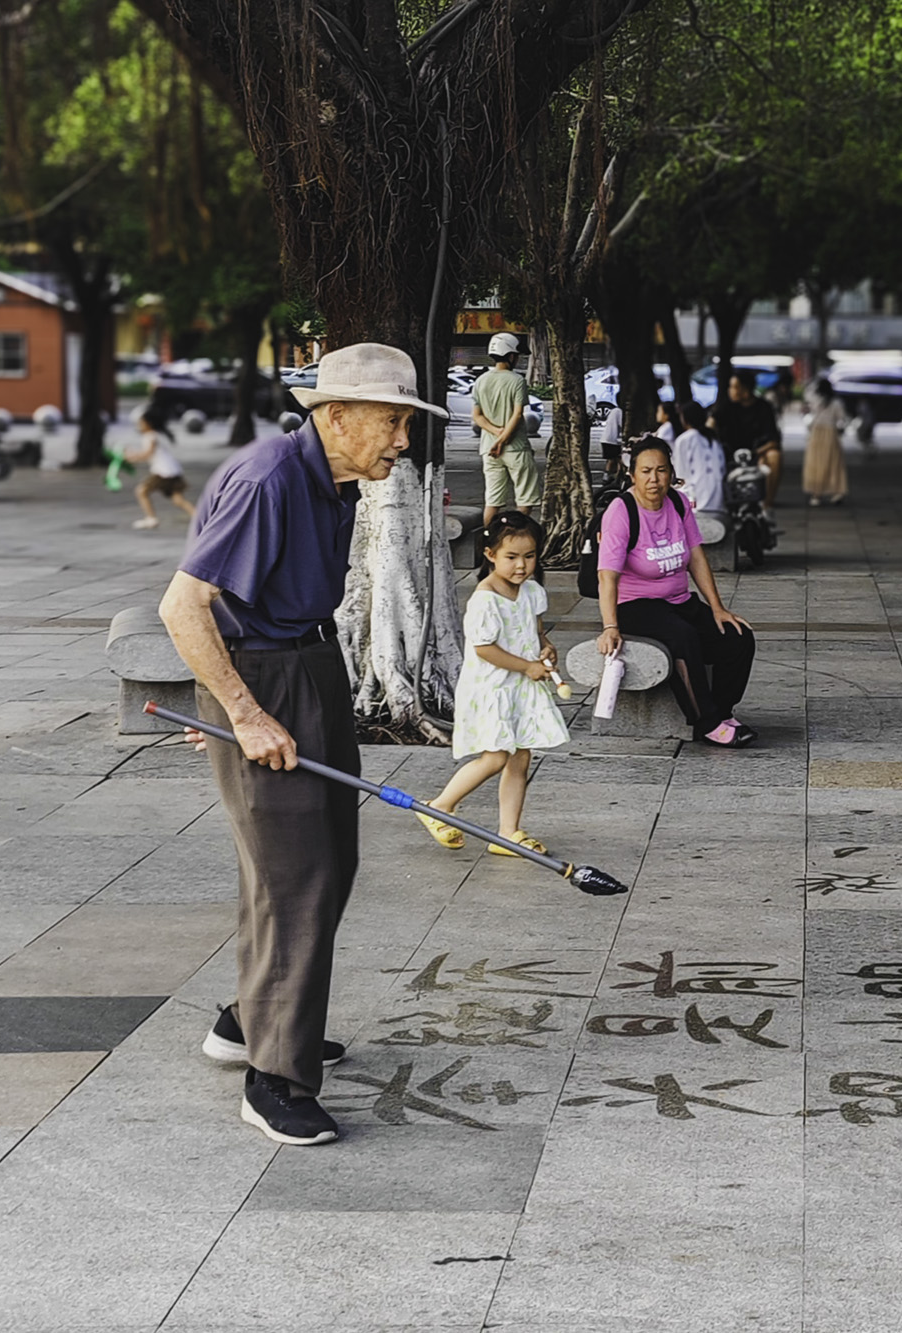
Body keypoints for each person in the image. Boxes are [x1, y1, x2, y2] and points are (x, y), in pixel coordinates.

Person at [159, 342, 448, 1146]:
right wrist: (241, 712)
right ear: (337, 415)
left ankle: (253, 1017)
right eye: (392, 422)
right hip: (268, 676)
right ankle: (275, 1077)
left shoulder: (336, 479)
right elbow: (183, 606)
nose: (403, 440)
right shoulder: (270, 479)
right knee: (296, 875)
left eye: (407, 423)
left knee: (323, 861)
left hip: (308, 666)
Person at [415, 510, 569, 858]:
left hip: (520, 688)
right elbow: (484, 649)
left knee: (521, 756)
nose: (521, 565)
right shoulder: (485, 600)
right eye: (511, 557)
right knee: (496, 756)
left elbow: (536, 632)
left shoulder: (531, 591)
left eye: (529, 556)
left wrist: (545, 649)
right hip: (493, 688)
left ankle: (508, 833)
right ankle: (439, 806)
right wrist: (527, 666)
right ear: (490, 555)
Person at [594, 437, 758, 747]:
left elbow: (696, 557)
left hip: (679, 601)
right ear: (632, 474)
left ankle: (722, 711)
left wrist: (718, 608)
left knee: (737, 637)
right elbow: (607, 577)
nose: (654, 479)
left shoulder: (678, 503)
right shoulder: (621, 511)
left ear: (671, 473)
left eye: (661, 470)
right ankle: (707, 723)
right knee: (684, 637)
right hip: (635, 605)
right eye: (645, 471)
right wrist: (610, 626)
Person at [472, 332, 536, 526]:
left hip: (488, 450)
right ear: (510, 355)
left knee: (492, 501)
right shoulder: (517, 381)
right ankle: (515, 534)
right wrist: (503, 439)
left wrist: (496, 434)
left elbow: (477, 416)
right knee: (525, 499)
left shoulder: (481, 381)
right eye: (516, 355)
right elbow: (517, 415)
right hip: (516, 448)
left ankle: (487, 537)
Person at [711, 369, 782, 511]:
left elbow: (773, 440)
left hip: (757, 453)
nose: (730, 391)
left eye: (734, 387)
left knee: (775, 456)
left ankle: (767, 505)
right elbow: (711, 422)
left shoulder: (763, 407)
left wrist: (756, 453)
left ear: (745, 390)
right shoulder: (727, 406)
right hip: (729, 452)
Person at [127, 403, 196, 530]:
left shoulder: (150, 436)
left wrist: (131, 456)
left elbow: (147, 454)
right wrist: (134, 456)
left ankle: (151, 518)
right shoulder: (156, 435)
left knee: (141, 491)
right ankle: (197, 516)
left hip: (163, 472)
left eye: (141, 423)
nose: (139, 426)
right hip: (173, 471)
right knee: (177, 499)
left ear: (149, 424)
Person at [801, 376, 848, 507]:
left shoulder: (815, 400)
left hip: (816, 433)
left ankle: (816, 493)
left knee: (815, 462)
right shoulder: (836, 402)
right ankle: (836, 491)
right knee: (833, 463)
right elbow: (842, 419)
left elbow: (807, 409)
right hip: (831, 434)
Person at [671, 402, 725, 513]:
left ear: (685, 418)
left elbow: (681, 475)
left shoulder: (684, 439)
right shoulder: (714, 439)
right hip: (719, 502)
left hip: (697, 502)